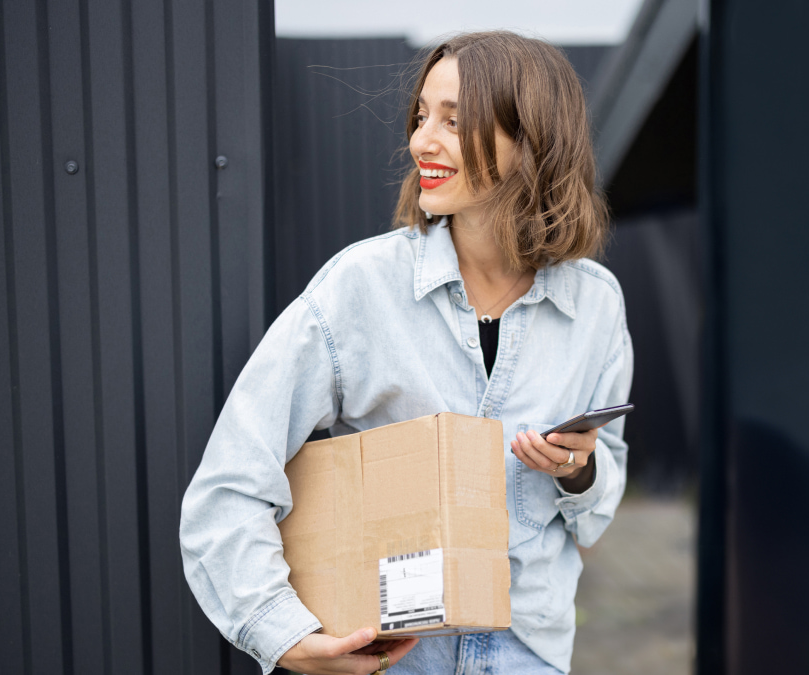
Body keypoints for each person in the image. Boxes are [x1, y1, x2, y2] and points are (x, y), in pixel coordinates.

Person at [180, 31, 633, 675]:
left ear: (530, 139)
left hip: (529, 653)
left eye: (454, 120)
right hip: (389, 657)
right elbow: (228, 486)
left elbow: (599, 501)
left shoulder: (597, 305)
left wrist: (578, 471)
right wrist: (281, 632)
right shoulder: (358, 288)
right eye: (422, 116)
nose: (421, 141)